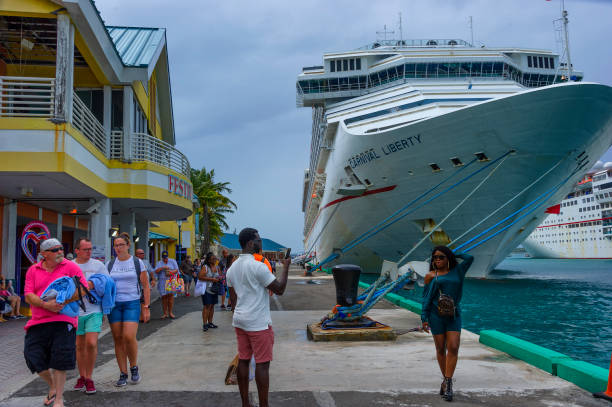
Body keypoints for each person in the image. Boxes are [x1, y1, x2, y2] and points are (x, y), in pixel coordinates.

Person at [226, 228, 290, 407]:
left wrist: (240, 313)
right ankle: (264, 405)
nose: (261, 244)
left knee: (244, 360)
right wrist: (286, 268)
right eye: (259, 240)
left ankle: (245, 403)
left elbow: (233, 300)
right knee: (262, 364)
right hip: (258, 323)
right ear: (250, 243)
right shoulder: (258, 266)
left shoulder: (232, 269)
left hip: (240, 320)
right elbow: (280, 289)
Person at [23, 238, 88, 407]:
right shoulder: (33, 270)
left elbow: (83, 288)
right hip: (37, 321)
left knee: (60, 358)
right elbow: (28, 294)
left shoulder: (70, 267)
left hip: (63, 319)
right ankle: (52, 386)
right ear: (44, 254)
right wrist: (45, 305)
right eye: (55, 250)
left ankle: (59, 399)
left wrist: (62, 302)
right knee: (33, 358)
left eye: (61, 248)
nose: (60, 251)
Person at [421, 246, 474, 402]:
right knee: (440, 348)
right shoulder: (430, 276)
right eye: (435, 257)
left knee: (453, 346)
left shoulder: (458, 271)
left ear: (448, 259)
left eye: (441, 257)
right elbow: (426, 298)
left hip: (453, 314)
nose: (437, 259)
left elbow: (470, 258)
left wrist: (454, 253)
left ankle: (448, 383)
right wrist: (423, 317)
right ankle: (445, 380)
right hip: (435, 315)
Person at [107, 233, 150, 387]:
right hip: (114, 305)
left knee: (128, 336)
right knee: (118, 338)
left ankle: (133, 366)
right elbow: (106, 285)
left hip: (132, 303)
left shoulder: (137, 263)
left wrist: (145, 307)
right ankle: (123, 373)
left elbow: (145, 285)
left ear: (128, 246)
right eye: (116, 245)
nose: (118, 248)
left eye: (121, 245)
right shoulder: (110, 264)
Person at [72, 237, 109, 394]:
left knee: (91, 343)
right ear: (77, 251)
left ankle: (89, 378)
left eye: (90, 249)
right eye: (85, 249)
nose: (89, 252)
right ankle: (82, 376)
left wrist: (95, 285)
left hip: (94, 309)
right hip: (74, 311)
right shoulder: (70, 266)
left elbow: (108, 283)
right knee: (79, 346)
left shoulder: (98, 265)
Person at [198, 252, 220, 331]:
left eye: (215, 258)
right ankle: (205, 324)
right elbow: (200, 277)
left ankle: (210, 322)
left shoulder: (216, 267)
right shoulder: (205, 267)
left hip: (214, 289)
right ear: (209, 260)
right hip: (207, 290)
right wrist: (211, 279)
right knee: (207, 306)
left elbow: (219, 275)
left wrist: (219, 278)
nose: (215, 260)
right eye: (213, 259)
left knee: (212, 306)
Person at [155, 251, 179, 319]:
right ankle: (165, 313)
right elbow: (156, 271)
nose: (165, 259)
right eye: (164, 258)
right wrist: (163, 268)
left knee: (171, 296)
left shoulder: (173, 261)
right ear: (162, 257)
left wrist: (171, 272)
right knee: (164, 297)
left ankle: (170, 312)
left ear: (168, 256)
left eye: (166, 257)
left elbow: (177, 270)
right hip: (162, 281)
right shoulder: (159, 263)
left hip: (171, 280)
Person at [135, 249, 156, 323]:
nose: (143, 254)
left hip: (145, 286)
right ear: (137, 254)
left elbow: (151, 271)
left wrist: (153, 280)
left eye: (143, 253)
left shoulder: (146, 262)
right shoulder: (134, 262)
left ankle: (146, 317)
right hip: (137, 286)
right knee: (139, 302)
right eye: (141, 253)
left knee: (145, 301)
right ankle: (141, 317)